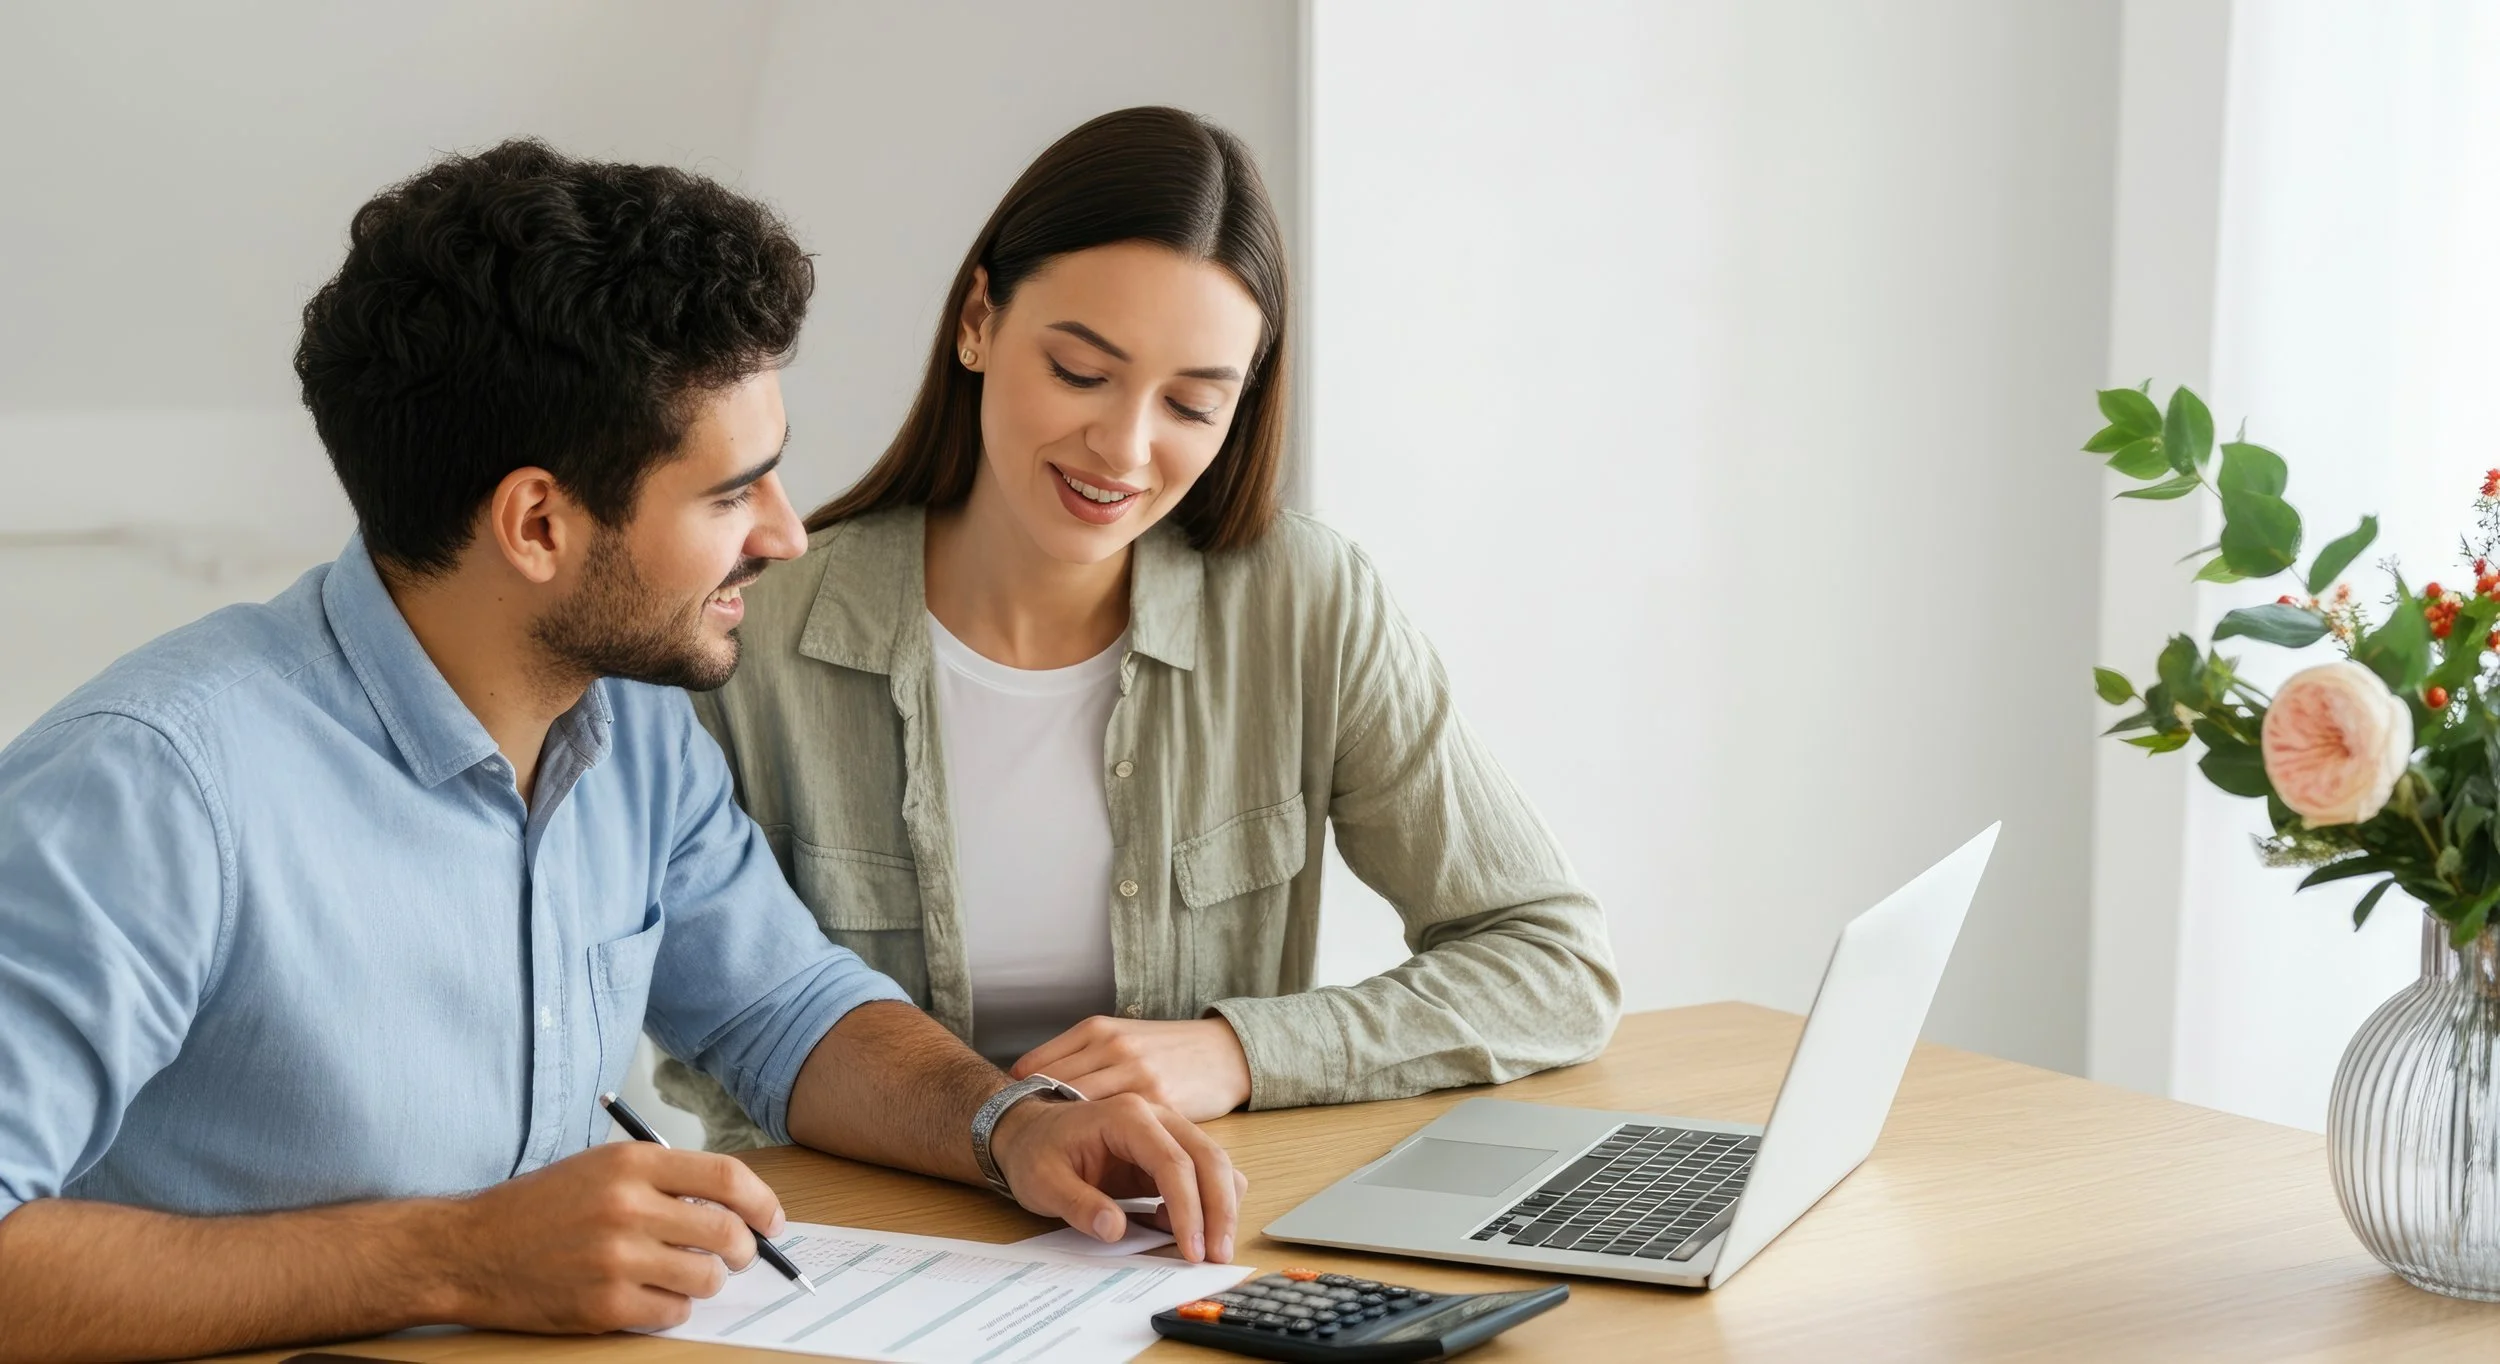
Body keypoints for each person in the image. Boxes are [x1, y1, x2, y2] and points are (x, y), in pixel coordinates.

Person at [0, 140, 1239, 1364]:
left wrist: (1007, 1120)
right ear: (537, 521)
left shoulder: (629, 720)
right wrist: (453, 1254)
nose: (789, 533)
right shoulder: (149, 788)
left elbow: (782, 1006)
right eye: (729, 493)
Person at [656, 106, 1618, 1151]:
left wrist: (1239, 1050)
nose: (1122, 447)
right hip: (859, 1258)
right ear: (978, 317)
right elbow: (720, 1032)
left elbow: (1549, 960)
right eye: (1079, 372)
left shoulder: (1304, 604)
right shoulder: (747, 633)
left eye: (1193, 404)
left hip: (1182, 1238)